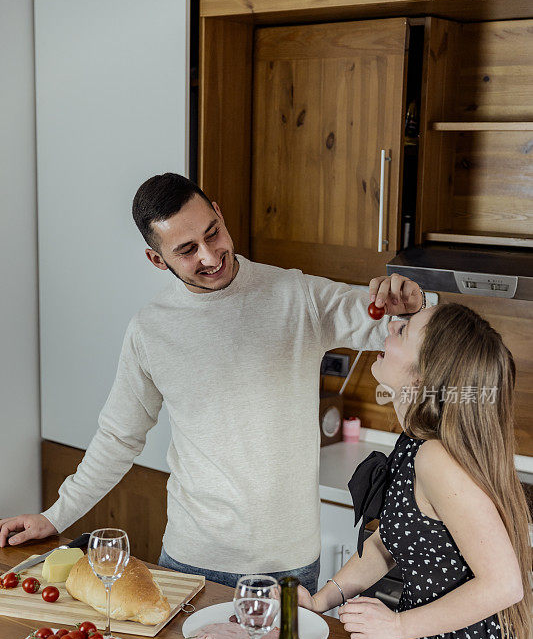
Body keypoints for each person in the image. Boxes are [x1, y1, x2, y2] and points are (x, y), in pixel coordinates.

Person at [0, 173, 425, 593]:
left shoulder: (296, 295)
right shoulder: (150, 330)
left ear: (219, 213)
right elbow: (118, 437)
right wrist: (55, 517)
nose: (210, 255)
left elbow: (404, 332)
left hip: (290, 566)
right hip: (191, 562)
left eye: (213, 232)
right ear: (157, 259)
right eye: (186, 250)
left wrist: (415, 305)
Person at [298, 302, 532, 639]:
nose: (390, 327)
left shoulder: (436, 459)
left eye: (404, 330)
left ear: (422, 378)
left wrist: (397, 625)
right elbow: (390, 539)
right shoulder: (415, 442)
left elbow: (505, 586)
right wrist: (322, 600)